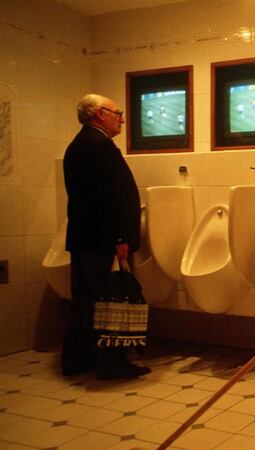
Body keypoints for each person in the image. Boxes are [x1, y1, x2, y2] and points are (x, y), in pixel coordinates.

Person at [62, 94, 151, 380]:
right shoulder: (100, 146)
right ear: (99, 113)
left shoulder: (78, 145)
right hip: (103, 241)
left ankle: (77, 359)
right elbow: (110, 198)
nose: (122, 118)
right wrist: (121, 237)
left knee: (85, 301)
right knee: (111, 302)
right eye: (118, 113)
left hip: (84, 238)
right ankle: (112, 363)